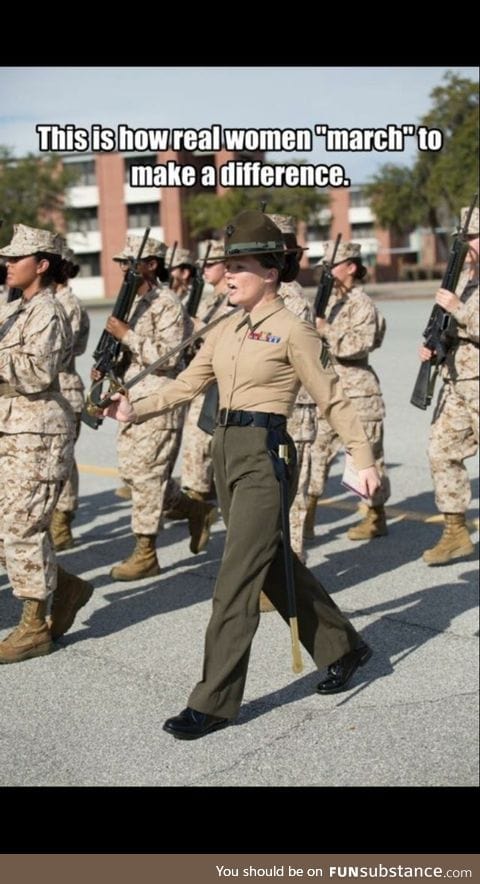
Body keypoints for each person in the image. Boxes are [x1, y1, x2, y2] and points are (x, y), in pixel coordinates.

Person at [104, 211, 380, 739]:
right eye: (226, 264)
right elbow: (185, 386)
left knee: (234, 580)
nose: (228, 274)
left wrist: (362, 458)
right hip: (225, 449)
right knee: (272, 561)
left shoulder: (293, 331)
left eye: (241, 265)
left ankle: (213, 702)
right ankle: (344, 646)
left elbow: (332, 396)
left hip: (266, 454)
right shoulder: (224, 329)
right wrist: (134, 407)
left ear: (272, 272)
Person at [0, 224, 93, 664]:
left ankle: (35, 626)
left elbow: (36, 373)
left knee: (23, 527)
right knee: (7, 532)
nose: (6, 265)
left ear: (40, 265)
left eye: (15, 259)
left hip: (38, 429)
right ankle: (66, 586)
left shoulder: (49, 312)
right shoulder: (15, 308)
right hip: (11, 425)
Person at [98, 234, 214, 581]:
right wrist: (109, 365)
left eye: (130, 262)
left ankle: (146, 552)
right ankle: (194, 509)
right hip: (131, 399)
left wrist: (126, 335)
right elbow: (130, 355)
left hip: (159, 400)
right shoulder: (134, 303)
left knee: (148, 476)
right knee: (135, 475)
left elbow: (170, 356)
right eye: (121, 262)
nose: (123, 268)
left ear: (151, 264)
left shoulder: (167, 304)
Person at [307, 241, 390, 541]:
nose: (325, 274)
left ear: (351, 267)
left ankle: (375, 515)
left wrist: (325, 330)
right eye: (323, 269)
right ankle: (306, 515)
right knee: (315, 454)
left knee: (365, 458)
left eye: (331, 267)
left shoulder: (362, 304)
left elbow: (357, 346)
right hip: (328, 392)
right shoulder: (330, 303)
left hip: (358, 393)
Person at [420, 206, 479, 565]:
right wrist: (432, 345)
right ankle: (456, 531)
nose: (468, 245)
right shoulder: (462, 281)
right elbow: (445, 325)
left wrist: (459, 309)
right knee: (441, 450)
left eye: (473, 237)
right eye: (465, 238)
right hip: (458, 382)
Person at [179, 240, 233, 502]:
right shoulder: (207, 300)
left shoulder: (232, 300)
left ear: (226, 266)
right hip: (202, 378)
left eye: (211, 264)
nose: (204, 269)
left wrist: (199, 326)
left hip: (223, 382)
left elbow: (228, 334)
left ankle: (205, 498)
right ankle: (198, 501)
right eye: (202, 264)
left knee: (213, 445)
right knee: (196, 444)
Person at [50, 245, 90, 550]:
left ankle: (62, 521)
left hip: (64, 390)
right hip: (49, 392)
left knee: (62, 461)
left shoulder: (69, 305)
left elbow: (62, 353)